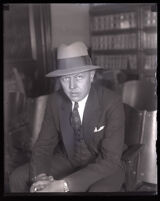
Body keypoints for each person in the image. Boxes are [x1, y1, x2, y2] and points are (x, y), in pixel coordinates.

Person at [9, 41, 125, 192]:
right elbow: (43, 146)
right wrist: (40, 178)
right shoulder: (54, 101)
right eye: (65, 78)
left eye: (78, 77)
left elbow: (110, 160)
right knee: (17, 177)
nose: (72, 86)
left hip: (105, 166)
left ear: (91, 76)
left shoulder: (112, 102)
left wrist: (64, 184)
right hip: (69, 159)